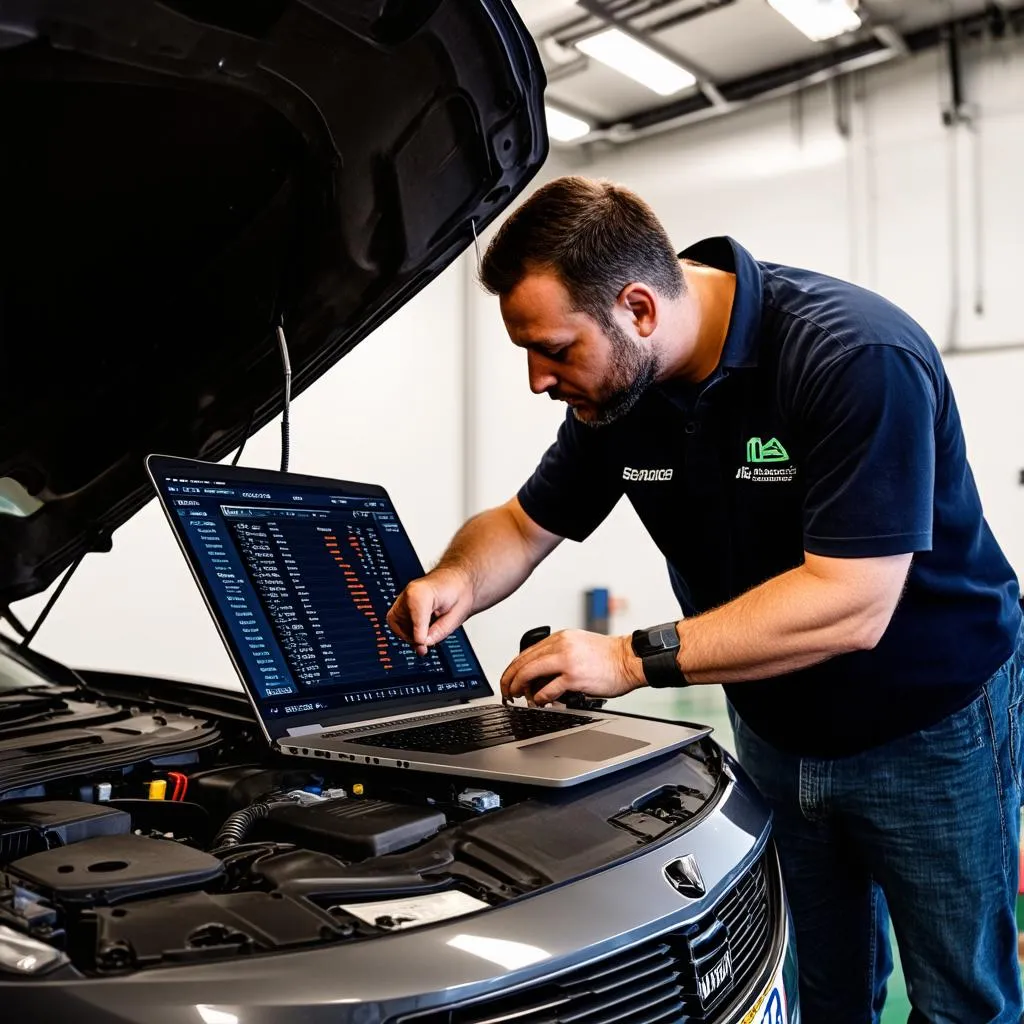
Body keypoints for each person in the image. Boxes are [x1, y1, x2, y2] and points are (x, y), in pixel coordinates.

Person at [385, 175, 1024, 1022]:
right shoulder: (623, 400)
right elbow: (520, 521)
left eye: (554, 348)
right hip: (775, 729)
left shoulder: (854, 357)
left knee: (959, 1000)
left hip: (928, 728)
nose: (538, 380)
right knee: (823, 992)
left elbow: (853, 601)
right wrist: (456, 578)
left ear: (639, 310)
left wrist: (625, 658)